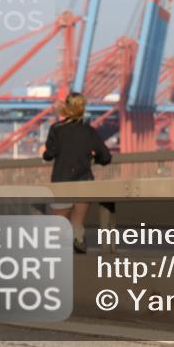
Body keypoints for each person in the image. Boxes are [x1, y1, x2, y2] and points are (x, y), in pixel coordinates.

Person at [42, 92, 112, 253]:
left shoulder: (57, 130)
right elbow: (106, 157)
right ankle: (79, 247)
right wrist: (96, 159)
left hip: (62, 181)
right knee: (77, 223)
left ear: (66, 107)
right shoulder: (89, 131)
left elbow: (49, 155)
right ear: (83, 108)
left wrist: (47, 154)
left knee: (59, 223)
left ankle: (60, 258)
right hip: (84, 180)